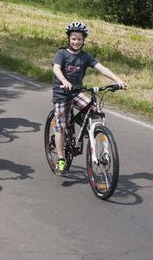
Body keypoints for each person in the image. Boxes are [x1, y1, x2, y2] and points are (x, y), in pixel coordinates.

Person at [51, 21, 126, 175]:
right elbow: (56, 68)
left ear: (83, 40)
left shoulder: (85, 56)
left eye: (79, 39)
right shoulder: (62, 54)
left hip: (77, 92)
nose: (76, 42)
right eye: (73, 38)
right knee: (61, 127)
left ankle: (82, 122)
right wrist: (64, 81)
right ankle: (60, 159)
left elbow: (101, 67)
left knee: (96, 111)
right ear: (69, 39)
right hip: (62, 94)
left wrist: (117, 80)